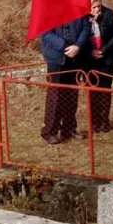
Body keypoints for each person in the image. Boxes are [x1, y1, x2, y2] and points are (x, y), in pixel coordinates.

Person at [39, 16, 90, 144]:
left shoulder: (78, 9)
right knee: (55, 95)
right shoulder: (49, 9)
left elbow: (86, 27)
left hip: (75, 56)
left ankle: (69, 128)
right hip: (56, 57)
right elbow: (45, 33)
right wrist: (65, 46)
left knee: (72, 94)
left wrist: (78, 46)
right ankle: (50, 131)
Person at [83, 0, 113, 133]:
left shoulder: (108, 14)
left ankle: (104, 121)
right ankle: (94, 121)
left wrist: (104, 50)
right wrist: (90, 51)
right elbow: (79, 37)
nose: (97, 10)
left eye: (99, 6)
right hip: (89, 59)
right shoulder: (82, 17)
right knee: (92, 90)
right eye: (93, 7)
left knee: (105, 89)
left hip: (107, 57)